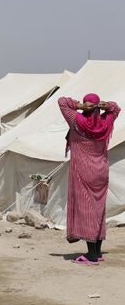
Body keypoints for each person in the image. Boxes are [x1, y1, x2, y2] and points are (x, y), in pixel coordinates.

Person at [58, 93, 120, 265]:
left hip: (84, 171)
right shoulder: (106, 122)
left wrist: (79, 106)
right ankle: (98, 252)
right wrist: (104, 106)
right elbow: (116, 108)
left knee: (87, 210)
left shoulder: (77, 121)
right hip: (101, 170)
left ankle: (91, 255)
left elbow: (62, 102)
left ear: (86, 106)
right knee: (98, 209)